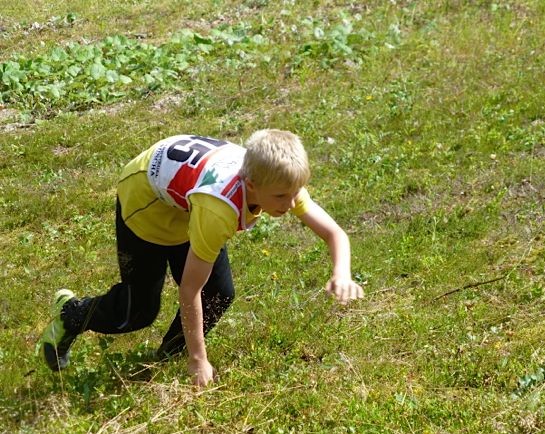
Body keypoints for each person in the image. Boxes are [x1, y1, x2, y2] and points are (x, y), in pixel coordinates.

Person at [38, 129, 364, 386]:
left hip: (184, 197)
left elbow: (335, 234)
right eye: (281, 196)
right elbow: (189, 290)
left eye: (297, 191)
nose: (292, 202)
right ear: (251, 184)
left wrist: (342, 273)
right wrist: (199, 358)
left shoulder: (281, 180)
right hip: (146, 202)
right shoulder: (218, 210)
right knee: (137, 312)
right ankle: (69, 314)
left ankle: (165, 359)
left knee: (219, 293)